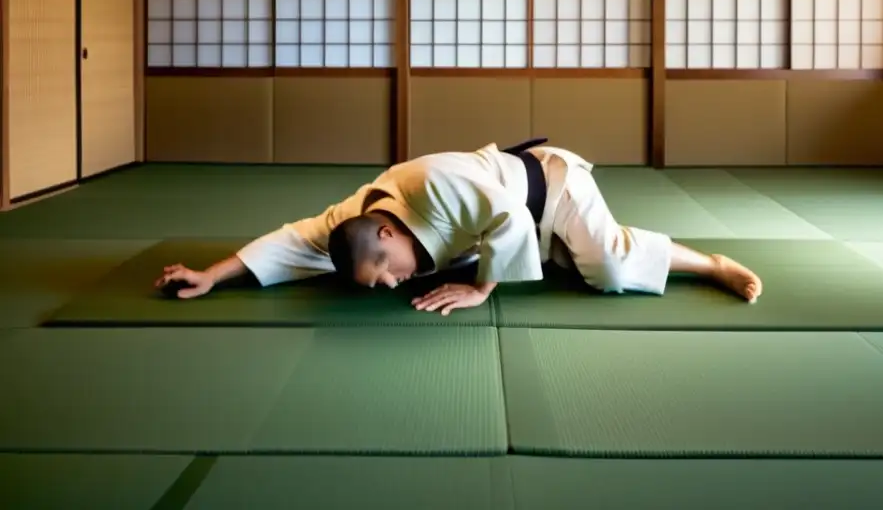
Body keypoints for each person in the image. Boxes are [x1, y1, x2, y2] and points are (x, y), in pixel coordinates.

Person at [154, 139, 763, 315]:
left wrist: (482, 289)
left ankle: (711, 264)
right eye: (381, 285)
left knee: (604, 268)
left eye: (385, 274)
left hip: (550, 191)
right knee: (568, 262)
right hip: (507, 227)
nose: (392, 286)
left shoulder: (432, 182)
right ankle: (556, 253)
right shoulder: (354, 222)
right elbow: (292, 241)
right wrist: (213, 274)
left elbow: (507, 215)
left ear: (388, 236)